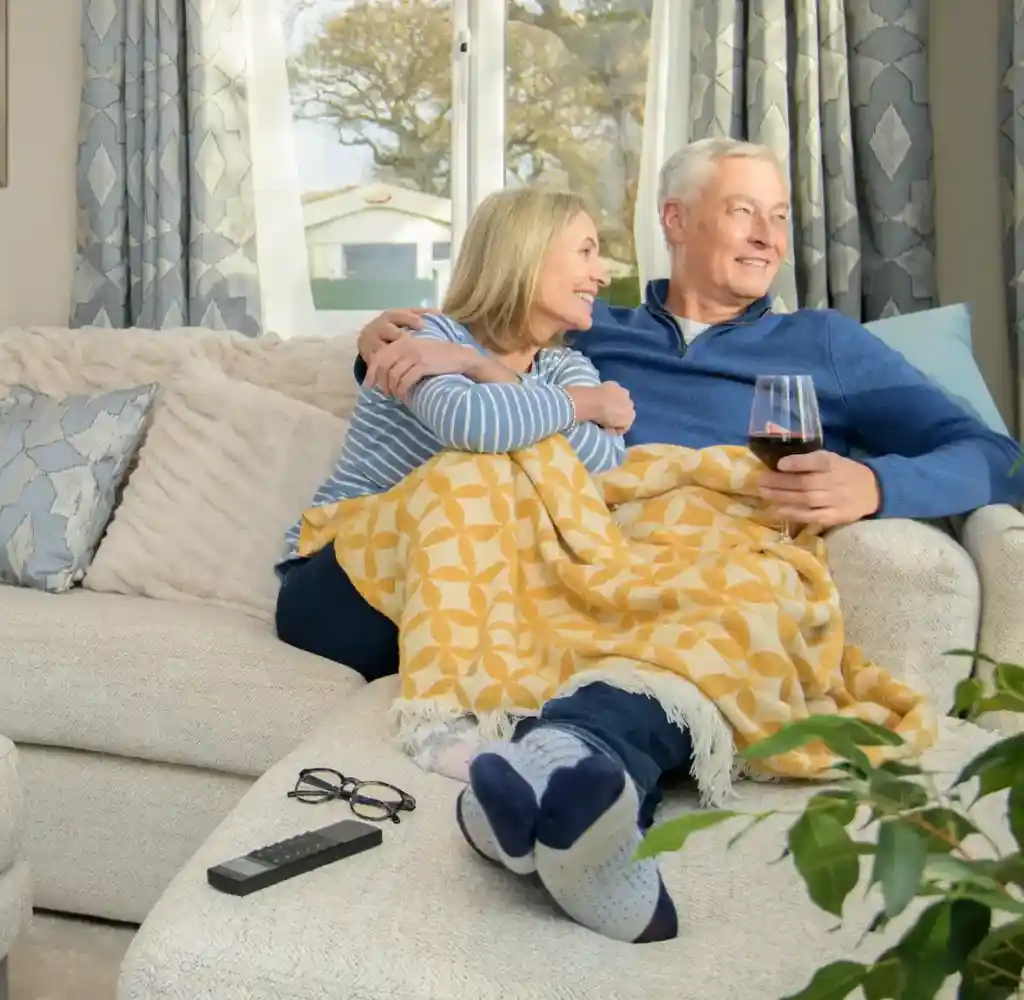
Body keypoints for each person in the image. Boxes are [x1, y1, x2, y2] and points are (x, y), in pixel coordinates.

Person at [354, 138, 1024, 946]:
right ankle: (571, 800)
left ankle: (560, 768)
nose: (767, 237)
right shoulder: (590, 327)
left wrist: (878, 486)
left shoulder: (826, 345)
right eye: (743, 211)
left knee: (732, 602)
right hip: (585, 546)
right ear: (676, 220)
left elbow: (995, 454)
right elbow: (458, 350)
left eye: (778, 217)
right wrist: (378, 344)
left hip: (726, 550)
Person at [275, 188, 635, 683]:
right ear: (527, 252)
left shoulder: (567, 365)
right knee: (474, 467)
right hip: (342, 594)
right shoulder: (424, 337)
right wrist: (586, 406)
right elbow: (470, 424)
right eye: (586, 251)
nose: (602, 273)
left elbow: (604, 464)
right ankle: (441, 714)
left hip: (464, 601)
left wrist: (480, 367)